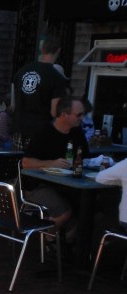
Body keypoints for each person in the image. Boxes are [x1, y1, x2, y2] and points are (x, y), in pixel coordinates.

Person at [21, 96, 91, 235]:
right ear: (64, 115)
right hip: (37, 186)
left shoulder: (77, 132)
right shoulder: (43, 132)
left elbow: (85, 157)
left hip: (68, 184)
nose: (82, 118)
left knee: (92, 209)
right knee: (64, 212)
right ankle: (49, 240)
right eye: (79, 114)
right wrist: (51, 163)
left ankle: (70, 242)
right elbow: (26, 163)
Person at [10, 34, 69, 147]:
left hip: (18, 130)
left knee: (18, 163)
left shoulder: (21, 71)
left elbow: (13, 106)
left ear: (42, 50)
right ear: (58, 50)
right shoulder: (57, 78)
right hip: (41, 133)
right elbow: (54, 111)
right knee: (37, 164)